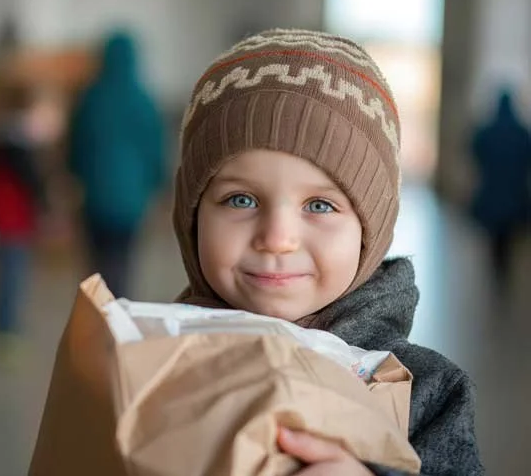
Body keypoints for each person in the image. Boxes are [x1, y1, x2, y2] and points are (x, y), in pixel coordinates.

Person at [172, 29, 483, 475]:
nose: (278, 238)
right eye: (241, 199)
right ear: (192, 215)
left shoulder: (427, 392)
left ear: (370, 231)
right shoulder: (144, 359)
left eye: (320, 205)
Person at [67, 29, 166, 298]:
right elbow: (156, 151)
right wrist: (158, 186)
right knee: (124, 261)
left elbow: (76, 148)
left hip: (95, 199)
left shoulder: (91, 99)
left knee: (96, 264)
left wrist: (75, 176)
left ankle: (96, 316)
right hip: (132, 201)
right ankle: (120, 315)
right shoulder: (143, 100)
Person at [0, 86, 60, 361]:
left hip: (5, 219)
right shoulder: (18, 146)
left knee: (8, 274)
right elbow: (33, 184)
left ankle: (3, 327)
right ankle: (6, 332)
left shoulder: (1, 139)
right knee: (12, 276)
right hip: (12, 221)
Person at [470, 89, 531, 292]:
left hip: (492, 195)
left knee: (495, 238)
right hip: (514, 196)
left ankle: (497, 272)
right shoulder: (522, 132)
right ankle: (504, 274)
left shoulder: (487, 131)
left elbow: (475, 150)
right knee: (509, 237)